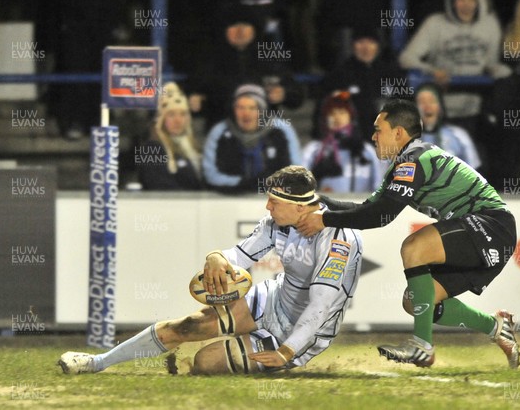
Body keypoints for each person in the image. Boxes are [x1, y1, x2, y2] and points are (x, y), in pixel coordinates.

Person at [58, 165, 363, 375]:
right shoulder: (277, 224)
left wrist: (286, 351)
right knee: (188, 326)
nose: (268, 208)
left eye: (274, 201)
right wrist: (216, 256)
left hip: (304, 330)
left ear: (299, 207)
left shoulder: (339, 238)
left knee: (206, 363)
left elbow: (321, 307)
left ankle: (275, 368)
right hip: (274, 299)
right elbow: (238, 257)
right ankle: (97, 362)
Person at [297, 99, 520, 369]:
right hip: (487, 232)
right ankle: (496, 327)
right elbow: (368, 209)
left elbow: (381, 216)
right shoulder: (402, 166)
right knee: (414, 301)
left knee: (414, 247)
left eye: (379, 130)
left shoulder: (413, 162)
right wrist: (317, 201)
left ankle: (422, 347)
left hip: (491, 225)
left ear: (399, 133)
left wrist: (325, 220)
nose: (373, 137)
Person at [398, 0, 511, 135]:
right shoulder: (435, 23)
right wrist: (432, 71)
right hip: (440, 110)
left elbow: (491, 63)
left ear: (479, 2)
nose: (466, 5)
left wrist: (501, 72)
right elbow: (406, 58)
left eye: (472, 0)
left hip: (475, 112)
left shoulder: (490, 25)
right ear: (452, 1)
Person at [202, 84, 302, 193]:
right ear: (233, 110)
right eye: (240, 108)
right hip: (228, 198)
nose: (246, 113)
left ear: (262, 111)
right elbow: (210, 175)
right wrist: (246, 184)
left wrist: (266, 185)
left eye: (252, 108)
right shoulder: (219, 131)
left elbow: (296, 172)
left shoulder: (281, 129)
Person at [316, 26, 403, 139]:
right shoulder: (339, 75)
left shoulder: (391, 73)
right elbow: (324, 109)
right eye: (361, 42)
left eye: (371, 42)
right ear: (353, 45)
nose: (366, 48)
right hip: (351, 142)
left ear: (378, 46)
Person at [303, 92, 383, 193]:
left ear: (351, 117)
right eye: (332, 113)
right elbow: (301, 186)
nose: (337, 117)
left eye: (342, 112)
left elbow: (378, 187)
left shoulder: (367, 151)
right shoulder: (314, 150)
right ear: (324, 119)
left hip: (361, 207)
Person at [136, 82, 203, 190]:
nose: (178, 120)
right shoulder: (149, 148)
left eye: (182, 114)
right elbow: (155, 184)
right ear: (161, 119)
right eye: (171, 114)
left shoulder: (194, 146)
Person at [414, 83, 481, 170]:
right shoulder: (403, 140)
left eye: (432, 101)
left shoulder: (459, 136)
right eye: (422, 102)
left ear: (440, 107)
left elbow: (474, 175)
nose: (427, 107)